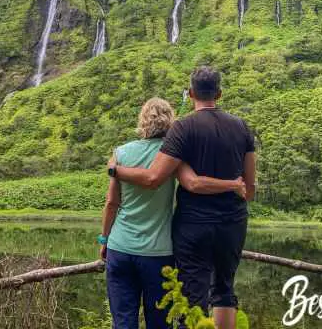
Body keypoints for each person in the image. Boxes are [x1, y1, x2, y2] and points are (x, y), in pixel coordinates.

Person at [109, 67, 256, 329]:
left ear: (190, 94)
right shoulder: (241, 127)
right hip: (233, 223)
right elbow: (250, 186)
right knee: (224, 288)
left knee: (192, 294)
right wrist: (233, 186)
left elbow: (160, 179)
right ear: (219, 93)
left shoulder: (183, 129)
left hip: (193, 226)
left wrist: (115, 169)